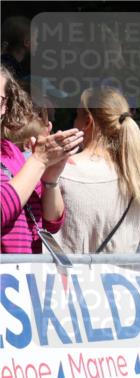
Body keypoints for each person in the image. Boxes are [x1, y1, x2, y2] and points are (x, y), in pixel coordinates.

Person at [56, 86, 140, 254]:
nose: (74, 122)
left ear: (88, 122)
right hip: (123, 280)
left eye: (76, 116)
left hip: (68, 279)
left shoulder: (60, 172)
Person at [1, 66, 83, 254]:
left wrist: (50, 180)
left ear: (6, 106)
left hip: (23, 278)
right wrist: (39, 161)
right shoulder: (31, 160)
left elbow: (52, 222)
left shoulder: (11, 151)